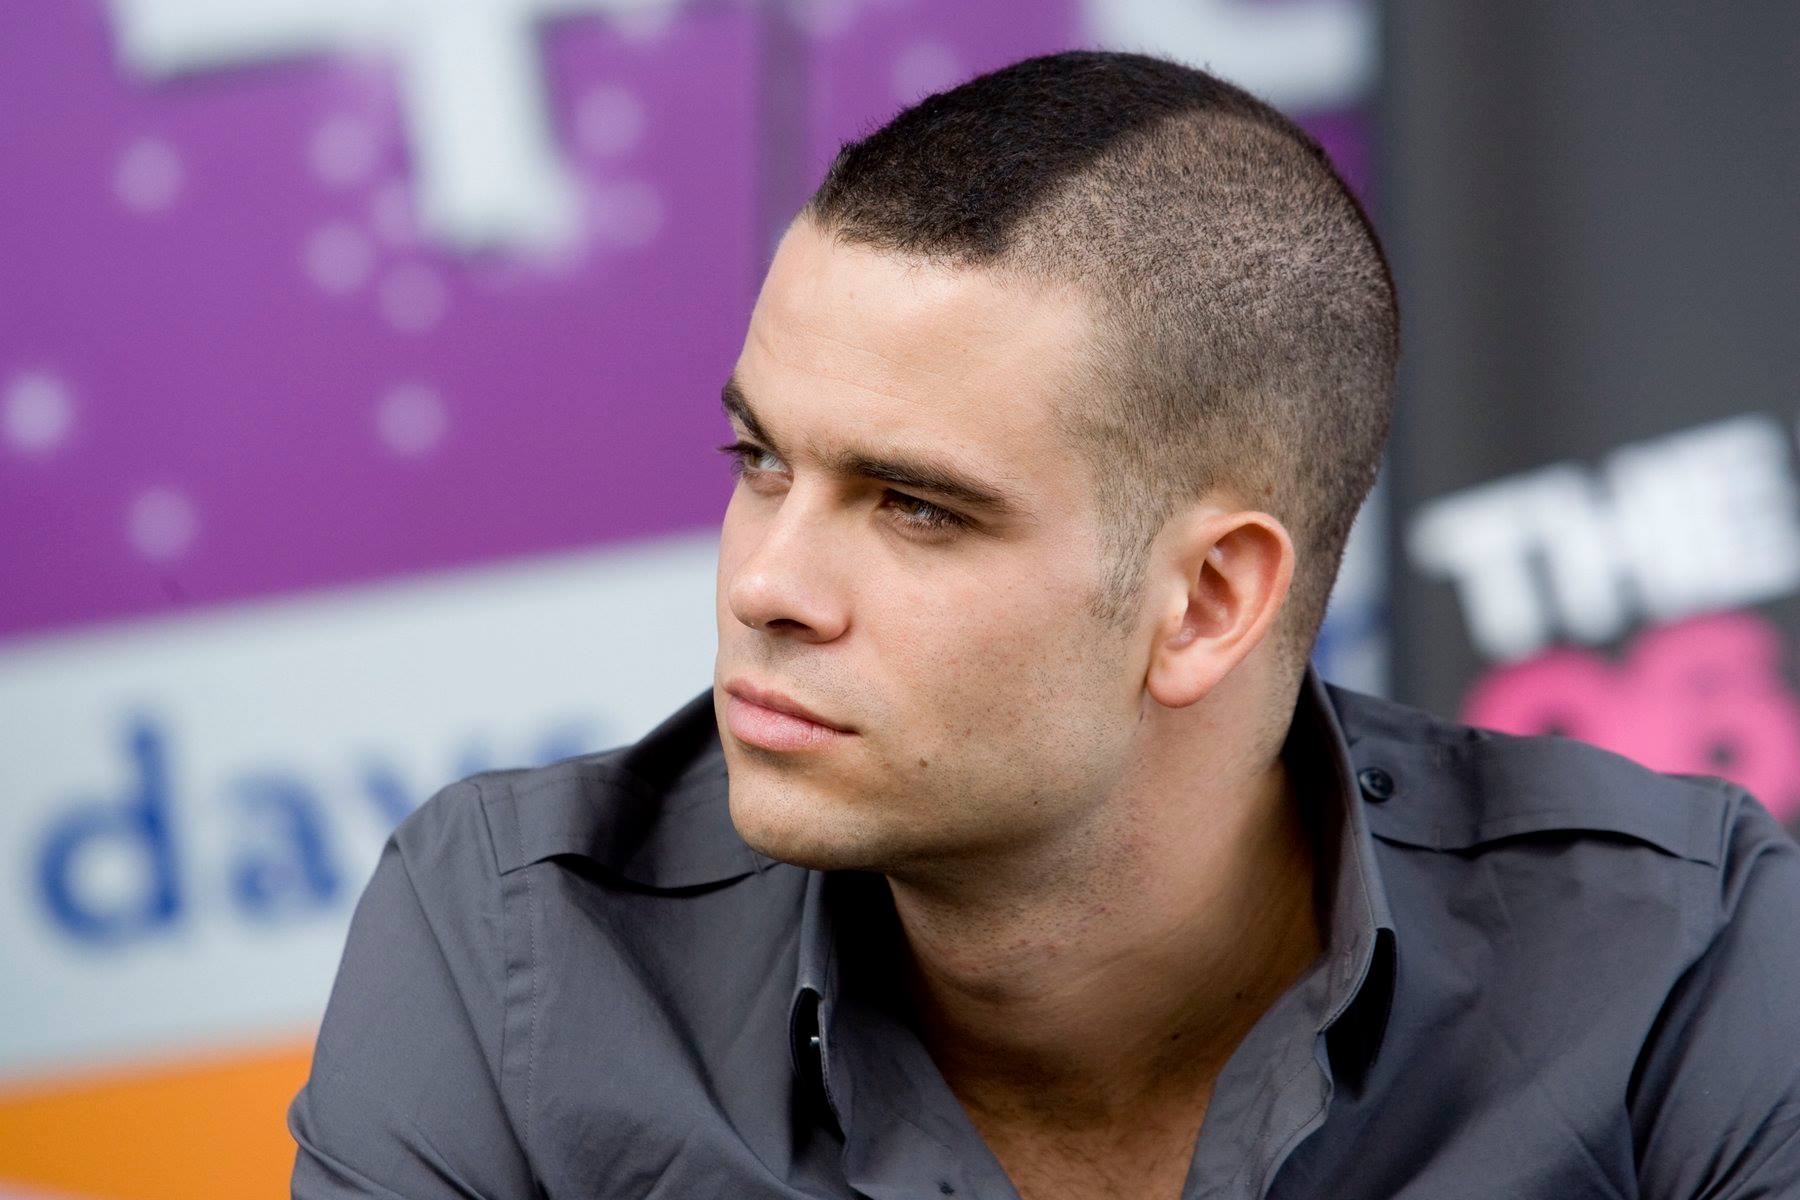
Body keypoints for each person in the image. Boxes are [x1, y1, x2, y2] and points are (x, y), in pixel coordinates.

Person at [289, 50, 1800, 1200]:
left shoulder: (1681, 966)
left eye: (915, 507)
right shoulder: (518, 948)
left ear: (1207, 602)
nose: (764, 586)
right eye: (760, 462)